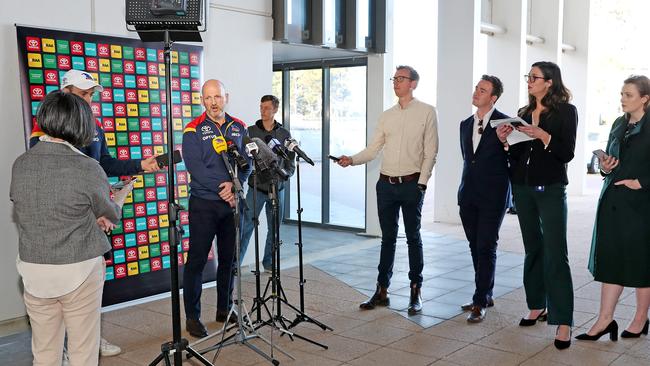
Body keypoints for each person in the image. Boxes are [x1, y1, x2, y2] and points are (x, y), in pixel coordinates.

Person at [29, 69, 161, 360]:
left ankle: (88, 337)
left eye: (91, 95)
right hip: (66, 227)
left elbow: (105, 163)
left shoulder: (94, 126)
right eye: (83, 94)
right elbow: (48, 184)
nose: (89, 100)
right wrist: (99, 208)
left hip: (93, 219)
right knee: (58, 303)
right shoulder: (43, 132)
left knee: (85, 296)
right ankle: (64, 345)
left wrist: (141, 165)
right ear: (65, 93)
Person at [10, 91, 131, 366]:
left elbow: (37, 206)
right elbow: (109, 213)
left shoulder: (21, 164)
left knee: (44, 353)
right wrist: (118, 199)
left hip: (34, 271)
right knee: (83, 353)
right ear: (80, 124)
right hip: (80, 270)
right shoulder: (87, 167)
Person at [337, 65, 438, 315]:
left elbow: (431, 151)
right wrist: (352, 159)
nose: (396, 82)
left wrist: (422, 183)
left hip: (412, 185)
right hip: (386, 185)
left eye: (401, 79)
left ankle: (416, 291)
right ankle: (382, 290)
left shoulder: (427, 112)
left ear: (413, 83)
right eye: (394, 79)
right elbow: (373, 149)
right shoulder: (387, 115)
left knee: (413, 237)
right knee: (388, 239)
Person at [496, 61, 577, 349]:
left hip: (551, 188)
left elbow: (566, 153)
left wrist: (542, 134)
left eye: (534, 77)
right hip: (523, 189)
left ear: (550, 82)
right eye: (528, 77)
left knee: (556, 252)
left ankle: (563, 320)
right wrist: (506, 142)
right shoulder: (522, 113)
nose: (529, 81)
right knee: (533, 247)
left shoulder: (566, 112)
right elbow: (517, 158)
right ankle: (536, 304)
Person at [577, 75, 650, 342]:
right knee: (611, 260)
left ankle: (641, 318)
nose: (623, 99)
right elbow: (614, 158)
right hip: (614, 201)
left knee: (642, 262)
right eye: (621, 94)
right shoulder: (620, 123)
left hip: (642, 204)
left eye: (629, 95)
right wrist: (607, 166)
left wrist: (641, 182)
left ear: (645, 98)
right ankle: (605, 319)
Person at [182, 79, 251, 338]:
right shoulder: (193, 130)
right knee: (197, 261)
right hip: (204, 204)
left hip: (232, 205)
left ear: (226, 97)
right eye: (208, 97)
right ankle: (192, 316)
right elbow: (196, 169)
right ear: (202, 100)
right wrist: (225, 187)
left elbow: (248, 164)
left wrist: (236, 186)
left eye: (218, 97)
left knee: (229, 260)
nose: (213, 102)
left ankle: (225, 308)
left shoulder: (239, 127)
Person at [458, 75, 510, 323]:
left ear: (493, 98)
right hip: (468, 195)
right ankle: (485, 293)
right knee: (473, 245)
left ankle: (480, 300)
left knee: (486, 246)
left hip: (494, 195)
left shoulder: (505, 124)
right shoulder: (465, 124)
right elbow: (469, 160)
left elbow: (512, 158)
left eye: (483, 90)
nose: (476, 92)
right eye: (476, 87)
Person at [239, 95, 295, 271]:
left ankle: (269, 263)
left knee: (274, 229)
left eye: (267, 108)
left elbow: (290, 161)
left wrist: (285, 175)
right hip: (256, 188)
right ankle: (236, 264)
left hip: (277, 188)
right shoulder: (250, 132)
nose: (263, 111)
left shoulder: (284, 134)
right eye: (261, 107)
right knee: (246, 226)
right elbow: (243, 158)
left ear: (275, 109)